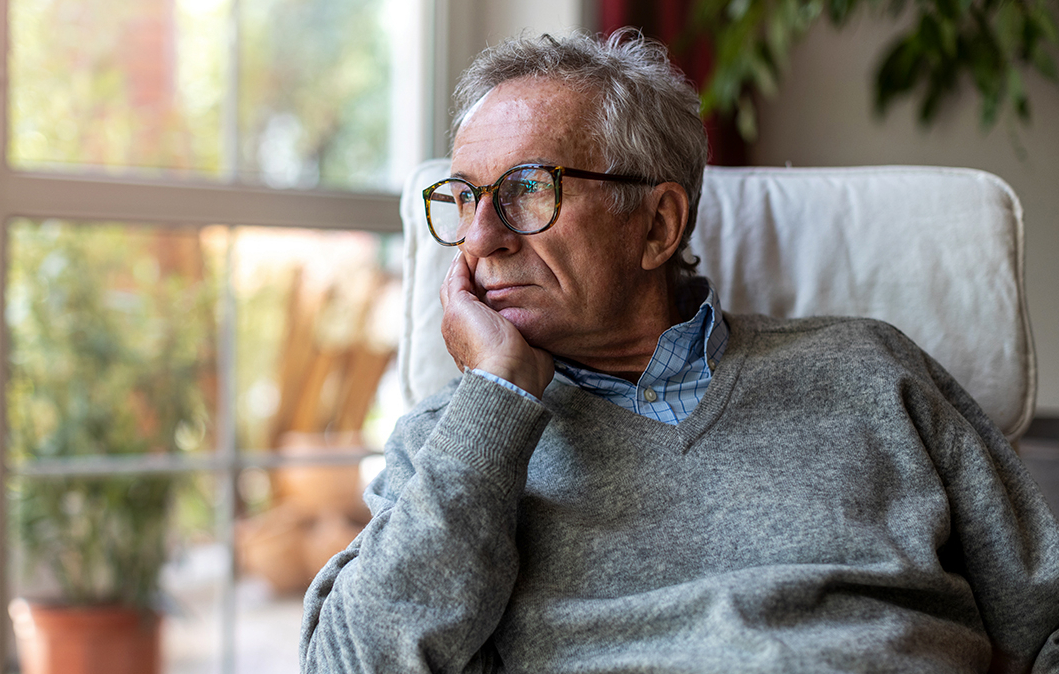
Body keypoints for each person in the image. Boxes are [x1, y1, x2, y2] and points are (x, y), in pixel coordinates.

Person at [300, 29, 1059, 673]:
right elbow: (350, 662)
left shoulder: (872, 370)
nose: (480, 237)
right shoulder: (455, 442)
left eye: (528, 189)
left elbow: (1047, 614)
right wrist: (496, 397)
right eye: (465, 198)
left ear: (659, 226)